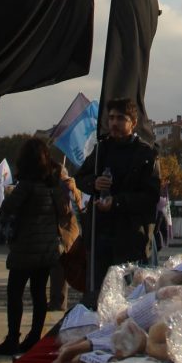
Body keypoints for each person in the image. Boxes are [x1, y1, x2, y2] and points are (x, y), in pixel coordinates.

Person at [75, 98, 160, 306]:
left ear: (133, 122)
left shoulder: (146, 154)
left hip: (130, 238)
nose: (114, 123)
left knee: (125, 298)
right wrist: (94, 183)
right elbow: (80, 178)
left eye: (120, 118)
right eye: (111, 118)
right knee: (98, 295)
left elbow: (150, 197)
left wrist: (117, 202)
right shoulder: (101, 150)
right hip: (100, 235)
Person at [0, 137, 68, 356]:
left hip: (25, 248)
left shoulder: (27, 185)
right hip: (47, 249)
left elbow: (8, 208)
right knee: (39, 294)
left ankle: (13, 338)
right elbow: (63, 212)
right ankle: (34, 337)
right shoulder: (54, 185)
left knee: (14, 293)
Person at [48, 167, 83, 312]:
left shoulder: (66, 187)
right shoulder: (71, 186)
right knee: (59, 269)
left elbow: (65, 209)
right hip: (68, 232)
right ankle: (57, 300)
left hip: (65, 233)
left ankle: (58, 302)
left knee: (59, 269)